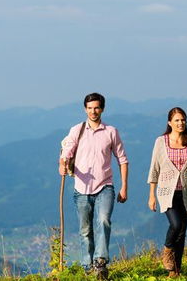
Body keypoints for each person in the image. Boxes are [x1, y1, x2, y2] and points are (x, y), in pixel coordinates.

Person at [59, 92, 129, 279]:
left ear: (102, 109)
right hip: (81, 189)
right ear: (85, 109)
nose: (93, 111)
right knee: (85, 230)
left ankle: (100, 262)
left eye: (96, 108)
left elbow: (122, 160)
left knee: (103, 220)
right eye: (90, 108)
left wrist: (124, 187)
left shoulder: (111, 132)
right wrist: (62, 164)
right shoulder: (77, 130)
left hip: (105, 186)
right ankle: (87, 265)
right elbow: (67, 151)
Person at [147, 107, 187, 277]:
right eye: (176, 120)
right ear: (170, 123)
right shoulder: (161, 142)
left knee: (182, 232)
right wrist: (151, 195)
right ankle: (167, 250)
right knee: (175, 225)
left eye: (183, 120)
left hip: (186, 192)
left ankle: (175, 270)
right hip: (167, 192)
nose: (180, 123)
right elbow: (154, 168)